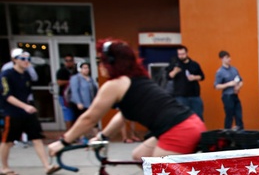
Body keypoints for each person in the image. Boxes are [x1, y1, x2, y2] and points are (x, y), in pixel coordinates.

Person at [48, 39, 207, 162]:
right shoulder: (135, 79)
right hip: (186, 123)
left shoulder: (115, 85)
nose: (99, 66)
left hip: (178, 130)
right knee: (139, 156)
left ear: (111, 62)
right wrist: (104, 136)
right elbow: (123, 115)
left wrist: (64, 142)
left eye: (100, 61)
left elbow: (90, 117)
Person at [1, 49, 59, 175]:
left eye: (28, 59)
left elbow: (29, 90)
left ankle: (47, 166)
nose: (26, 61)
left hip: (27, 111)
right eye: (22, 59)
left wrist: (28, 106)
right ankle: (4, 167)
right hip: (13, 112)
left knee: (36, 138)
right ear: (14, 60)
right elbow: (7, 95)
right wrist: (24, 106)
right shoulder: (7, 74)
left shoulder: (26, 74)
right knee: (8, 141)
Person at [167, 45, 205, 120]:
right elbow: (168, 77)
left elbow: (202, 76)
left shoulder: (194, 64)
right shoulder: (175, 64)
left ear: (187, 53)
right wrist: (175, 71)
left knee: (198, 116)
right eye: (179, 54)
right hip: (181, 96)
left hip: (194, 95)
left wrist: (194, 77)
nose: (181, 56)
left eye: (183, 54)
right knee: (183, 117)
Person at [68, 61, 99, 142]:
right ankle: (81, 138)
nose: (86, 69)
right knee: (81, 121)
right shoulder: (76, 78)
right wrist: (78, 102)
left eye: (87, 68)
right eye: (84, 68)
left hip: (90, 103)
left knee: (93, 120)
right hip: (80, 104)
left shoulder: (90, 78)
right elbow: (74, 91)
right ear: (80, 69)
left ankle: (97, 137)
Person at [214, 50, 244, 130]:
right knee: (229, 116)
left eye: (229, 57)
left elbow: (240, 81)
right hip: (227, 96)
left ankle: (240, 134)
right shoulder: (220, 72)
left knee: (239, 115)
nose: (229, 59)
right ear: (222, 59)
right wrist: (229, 84)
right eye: (227, 57)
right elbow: (217, 86)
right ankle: (227, 134)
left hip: (235, 94)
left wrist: (238, 86)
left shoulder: (234, 69)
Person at [56, 53, 78, 129]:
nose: (69, 62)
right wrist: (70, 81)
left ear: (73, 61)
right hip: (64, 96)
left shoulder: (76, 71)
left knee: (75, 114)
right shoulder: (61, 71)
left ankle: (75, 133)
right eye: (67, 60)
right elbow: (59, 82)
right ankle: (68, 134)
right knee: (68, 114)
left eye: (70, 60)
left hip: (75, 96)